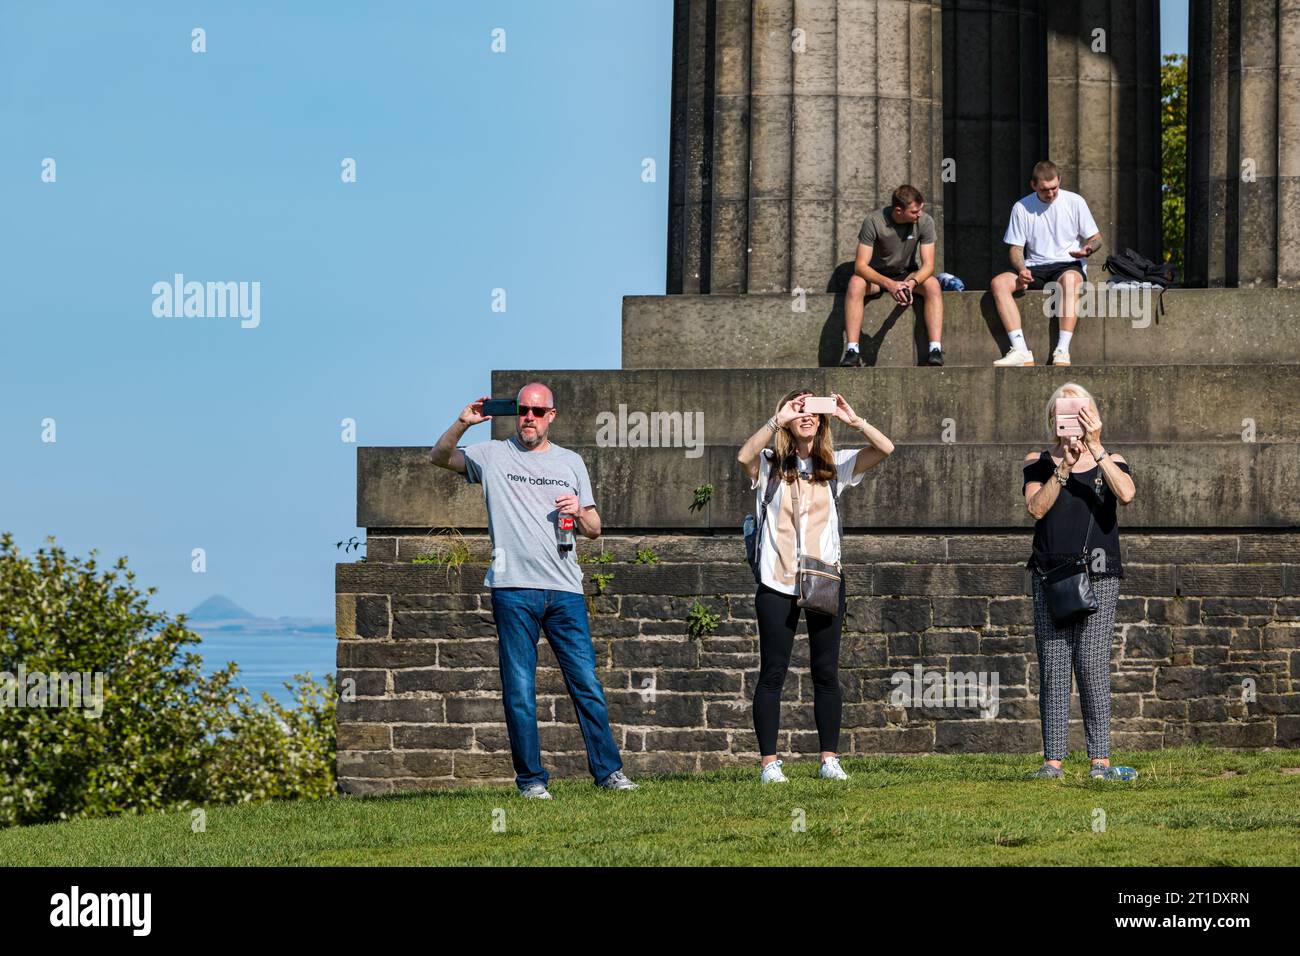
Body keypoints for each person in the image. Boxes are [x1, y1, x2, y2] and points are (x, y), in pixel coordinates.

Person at [428, 382, 637, 798]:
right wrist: (462, 423)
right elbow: (438, 457)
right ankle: (531, 781)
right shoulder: (492, 456)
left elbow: (595, 530)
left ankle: (609, 772)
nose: (529, 418)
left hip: (564, 589)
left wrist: (578, 512)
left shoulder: (571, 462)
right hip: (512, 588)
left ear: (551, 416)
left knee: (587, 684)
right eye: (523, 410)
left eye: (538, 412)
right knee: (520, 689)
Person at [736, 390, 894, 782]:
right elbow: (743, 457)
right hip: (777, 578)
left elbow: (885, 448)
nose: (807, 415)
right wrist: (778, 419)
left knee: (826, 670)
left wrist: (852, 420)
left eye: (813, 410)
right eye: (799, 408)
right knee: (773, 670)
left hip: (824, 578)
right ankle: (769, 764)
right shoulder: (770, 463)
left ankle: (829, 759)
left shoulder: (834, 465)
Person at [1021, 383, 1138, 781]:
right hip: (1051, 575)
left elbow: (1126, 494)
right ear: (1053, 418)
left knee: (1091, 665)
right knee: (1053, 667)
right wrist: (1064, 467)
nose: (1072, 419)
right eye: (1065, 411)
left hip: (1099, 574)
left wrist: (1097, 447)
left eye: (1080, 410)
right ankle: (1052, 762)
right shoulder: (1039, 462)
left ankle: (1099, 762)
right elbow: (1036, 508)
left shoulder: (1113, 458)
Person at [990, 160, 1103, 367]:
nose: (1050, 194)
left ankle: (1062, 349)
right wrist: (1021, 269)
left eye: (1054, 188)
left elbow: (1096, 238)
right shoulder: (1021, 207)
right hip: (1034, 266)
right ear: (1033, 185)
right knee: (999, 283)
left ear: (1059, 180)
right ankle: (1021, 350)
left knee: (1071, 281)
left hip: (1067, 263)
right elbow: (1015, 249)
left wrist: (1087, 249)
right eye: (1044, 190)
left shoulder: (1075, 201)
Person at [841, 185, 945, 368]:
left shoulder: (925, 221)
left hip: (907, 275)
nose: (919, 214)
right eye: (914, 211)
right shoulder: (873, 221)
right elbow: (860, 266)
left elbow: (929, 265)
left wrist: (912, 283)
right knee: (855, 283)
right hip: (877, 277)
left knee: (933, 285)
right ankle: (852, 350)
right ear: (899, 210)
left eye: (920, 209)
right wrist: (889, 284)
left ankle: (935, 349)